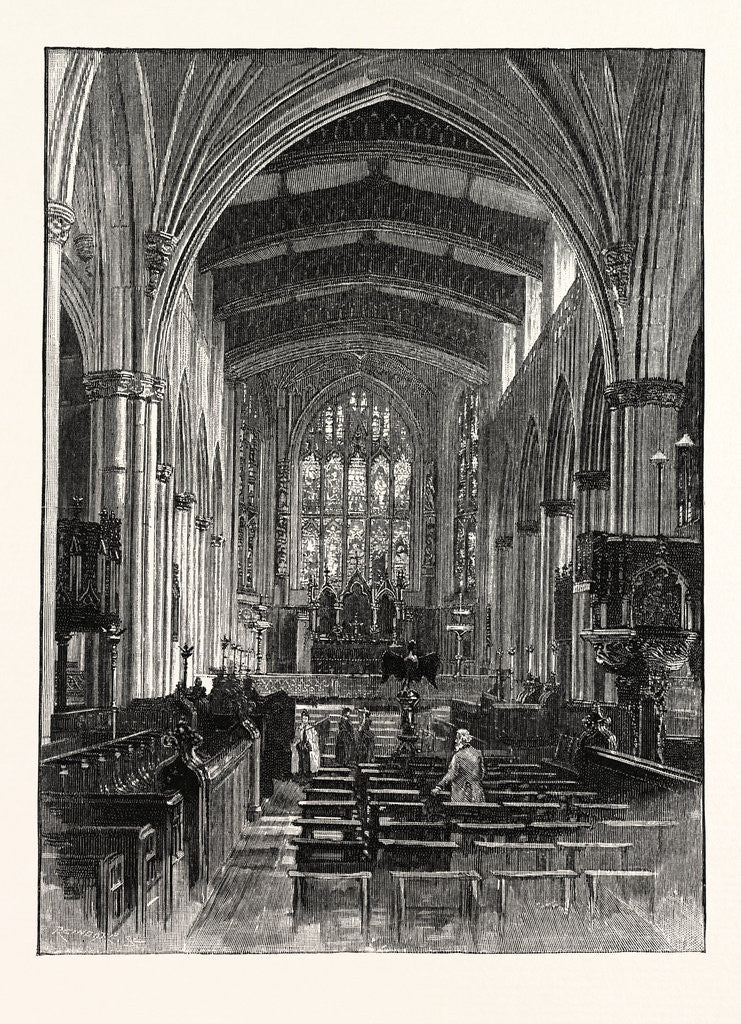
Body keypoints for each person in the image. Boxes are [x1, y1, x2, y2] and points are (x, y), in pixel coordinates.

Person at [431, 728, 485, 803]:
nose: (455, 741)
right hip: (476, 794)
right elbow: (481, 774)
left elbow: (451, 773)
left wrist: (439, 787)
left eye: (457, 738)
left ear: (461, 740)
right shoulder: (478, 753)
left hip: (461, 794)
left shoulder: (458, 756)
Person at [291, 710, 321, 779]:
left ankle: (309, 772)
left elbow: (315, 738)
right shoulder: (299, 728)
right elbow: (296, 737)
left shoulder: (311, 728)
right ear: (301, 719)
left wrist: (311, 741)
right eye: (303, 719)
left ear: (308, 719)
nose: (305, 720)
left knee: (310, 755)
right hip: (300, 747)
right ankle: (299, 773)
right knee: (298, 755)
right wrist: (297, 742)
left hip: (308, 747)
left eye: (306, 719)